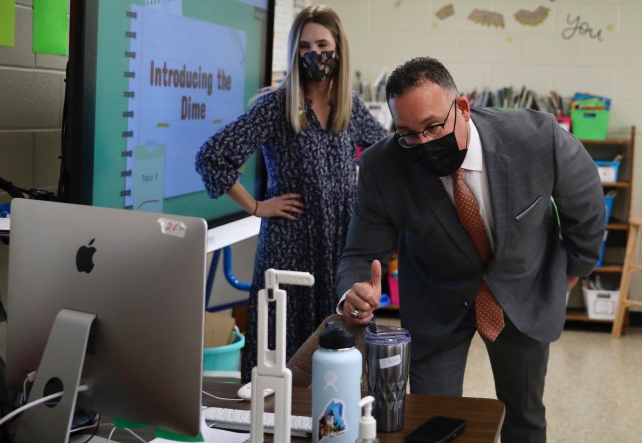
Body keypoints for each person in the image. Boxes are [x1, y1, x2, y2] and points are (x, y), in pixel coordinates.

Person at [336, 57, 605, 443]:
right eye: (408, 134)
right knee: (434, 421)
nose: (423, 143)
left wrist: (570, 276)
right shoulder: (383, 165)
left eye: (432, 126)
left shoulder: (536, 138)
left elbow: (587, 207)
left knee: (524, 416)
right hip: (437, 298)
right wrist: (355, 289)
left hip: (522, 291)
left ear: (462, 108)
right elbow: (360, 253)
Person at [195, 5, 389, 382]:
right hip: (290, 247)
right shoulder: (277, 105)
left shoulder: (347, 104)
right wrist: (255, 206)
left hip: (338, 246)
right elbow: (212, 157)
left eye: (322, 44)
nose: (314, 54)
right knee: (282, 349)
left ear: (338, 50)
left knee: (338, 352)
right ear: (293, 52)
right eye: (304, 46)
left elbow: (386, 152)